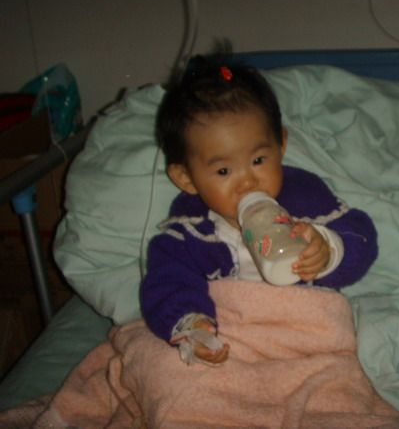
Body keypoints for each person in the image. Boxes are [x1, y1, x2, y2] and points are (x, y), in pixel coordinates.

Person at [140, 54, 378, 365]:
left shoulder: (307, 198)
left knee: (340, 359)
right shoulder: (190, 232)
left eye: (258, 160)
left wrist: (328, 250)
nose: (248, 182)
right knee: (152, 360)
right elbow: (166, 283)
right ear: (186, 178)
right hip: (233, 339)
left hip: (304, 335)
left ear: (281, 145)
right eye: (223, 171)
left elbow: (362, 237)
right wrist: (194, 325)